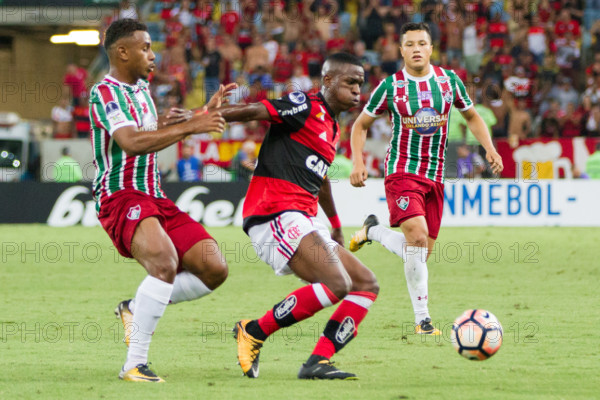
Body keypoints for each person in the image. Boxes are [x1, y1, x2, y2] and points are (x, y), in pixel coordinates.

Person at [218, 53, 379, 380]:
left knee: (365, 284)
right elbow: (257, 110)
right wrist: (208, 116)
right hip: (274, 212)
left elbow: (319, 179)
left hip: (303, 217)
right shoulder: (305, 105)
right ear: (329, 81)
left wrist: (334, 225)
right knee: (336, 283)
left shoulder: (331, 127)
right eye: (350, 82)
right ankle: (254, 330)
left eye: (360, 84)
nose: (357, 91)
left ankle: (317, 362)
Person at [88, 19, 230, 383]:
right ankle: (134, 364)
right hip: (120, 196)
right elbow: (131, 142)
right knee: (164, 264)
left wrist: (195, 116)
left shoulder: (140, 90)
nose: (154, 56)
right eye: (146, 48)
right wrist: (190, 127)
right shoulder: (104, 93)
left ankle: (134, 308)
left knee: (214, 268)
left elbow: (148, 130)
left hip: (155, 196)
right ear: (122, 52)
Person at [348, 23, 503, 336]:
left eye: (422, 43)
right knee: (417, 238)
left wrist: (489, 148)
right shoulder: (391, 87)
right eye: (410, 44)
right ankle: (423, 321)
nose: (416, 49)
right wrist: (357, 160)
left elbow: (472, 116)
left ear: (431, 48)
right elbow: (360, 125)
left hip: (436, 176)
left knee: (419, 251)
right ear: (401, 50)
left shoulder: (448, 82)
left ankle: (372, 231)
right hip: (402, 171)